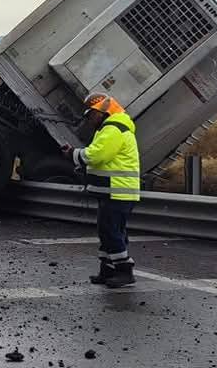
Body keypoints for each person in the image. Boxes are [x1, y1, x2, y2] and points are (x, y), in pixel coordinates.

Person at [63, 93, 141, 288]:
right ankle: (108, 270)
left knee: (110, 231)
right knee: (109, 231)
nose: (89, 119)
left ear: (101, 112)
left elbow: (97, 155)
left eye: (91, 115)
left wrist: (74, 154)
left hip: (117, 191)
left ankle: (124, 271)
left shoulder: (113, 128)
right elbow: (102, 159)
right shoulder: (110, 128)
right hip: (114, 191)